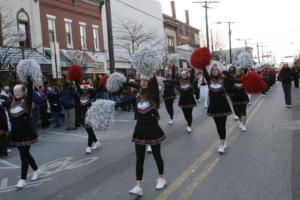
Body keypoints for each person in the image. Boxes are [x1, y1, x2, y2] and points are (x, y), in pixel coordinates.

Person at [129, 75, 166, 196]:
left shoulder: (154, 94)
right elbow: (127, 99)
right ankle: (138, 185)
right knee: (139, 159)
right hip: (139, 129)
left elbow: (154, 86)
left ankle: (161, 178)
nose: (143, 82)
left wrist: (150, 72)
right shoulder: (138, 95)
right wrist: (114, 104)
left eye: (146, 80)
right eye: (142, 80)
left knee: (157, 155)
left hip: (152, 129)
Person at [9, 78, 40, 188]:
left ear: (23, 92)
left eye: (19, 91)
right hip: (16, 133)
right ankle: (36, 169)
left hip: (26, 132)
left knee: (23, 156)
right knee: (26, 154)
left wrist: (30, 78)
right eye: (15, 91)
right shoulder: (11, 102)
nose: (17, 93)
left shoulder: (27, 101)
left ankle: (22, 179)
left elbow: (30, 92)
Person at [203, 65, 232, 154]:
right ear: (211, 72)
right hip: (214, 106)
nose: (214, 71)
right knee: (218, 126)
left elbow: (230, 79)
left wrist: (225, 71)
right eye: (213, 70)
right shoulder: (209, 80)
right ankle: (223, 139)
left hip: (223, 106)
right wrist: (203, 63)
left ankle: (221, 144)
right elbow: (204, 71)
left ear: (219, 70)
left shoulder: (223, 78)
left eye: (216, 69)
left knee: (222, 125)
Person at [79, 82, 101, 154]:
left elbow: (96, 91)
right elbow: (82, 105)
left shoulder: (91, 95)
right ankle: (96, 142)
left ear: (88, 89)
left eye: (86, 88)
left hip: (91, 116)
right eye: (83, 89)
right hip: (83, 116)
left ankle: (88, 147)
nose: (84, 90)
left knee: (89, 131)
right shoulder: (81, 96)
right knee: (89, 131)